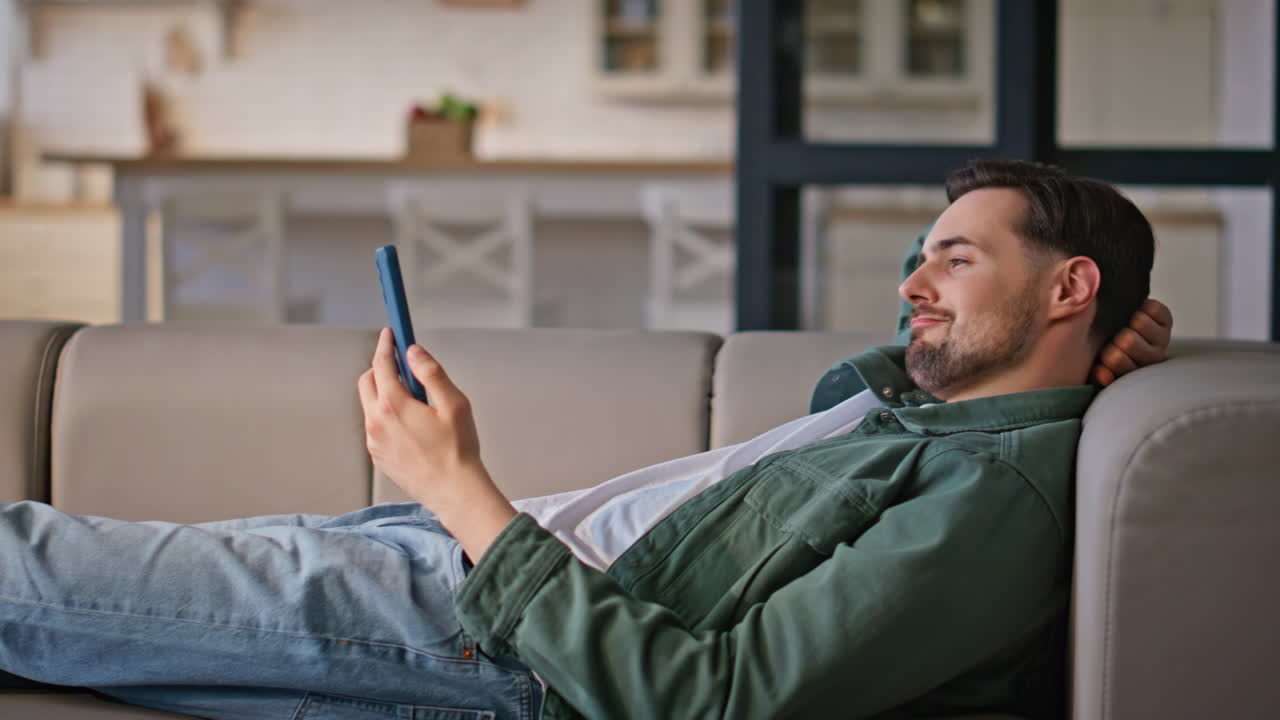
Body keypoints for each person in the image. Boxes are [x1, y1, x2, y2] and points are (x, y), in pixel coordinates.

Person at [0, 159, 1172, 720]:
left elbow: (715, 704)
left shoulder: (990, 499)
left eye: (952, 258)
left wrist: (462, 491)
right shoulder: (929, 415)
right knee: (56, 611)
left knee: (32, 567)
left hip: (485, 629)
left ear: (1063, 284)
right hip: (455, 572)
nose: (910, 282)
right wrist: (1098, 338)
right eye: (918, 254)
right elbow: (880, 371)